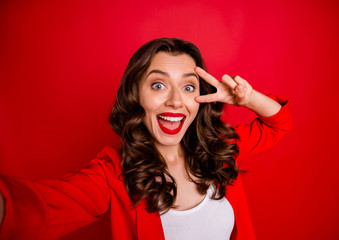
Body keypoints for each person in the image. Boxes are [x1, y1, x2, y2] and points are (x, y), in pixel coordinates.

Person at [0, 38, 292, 239]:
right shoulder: (113, 174)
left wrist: (247, 98)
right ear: (136, 93)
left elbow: (278, 123)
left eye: (189, 88)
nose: (176, 101)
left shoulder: (220, 150)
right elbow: (36, 209)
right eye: (158, 84)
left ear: (201, 98)